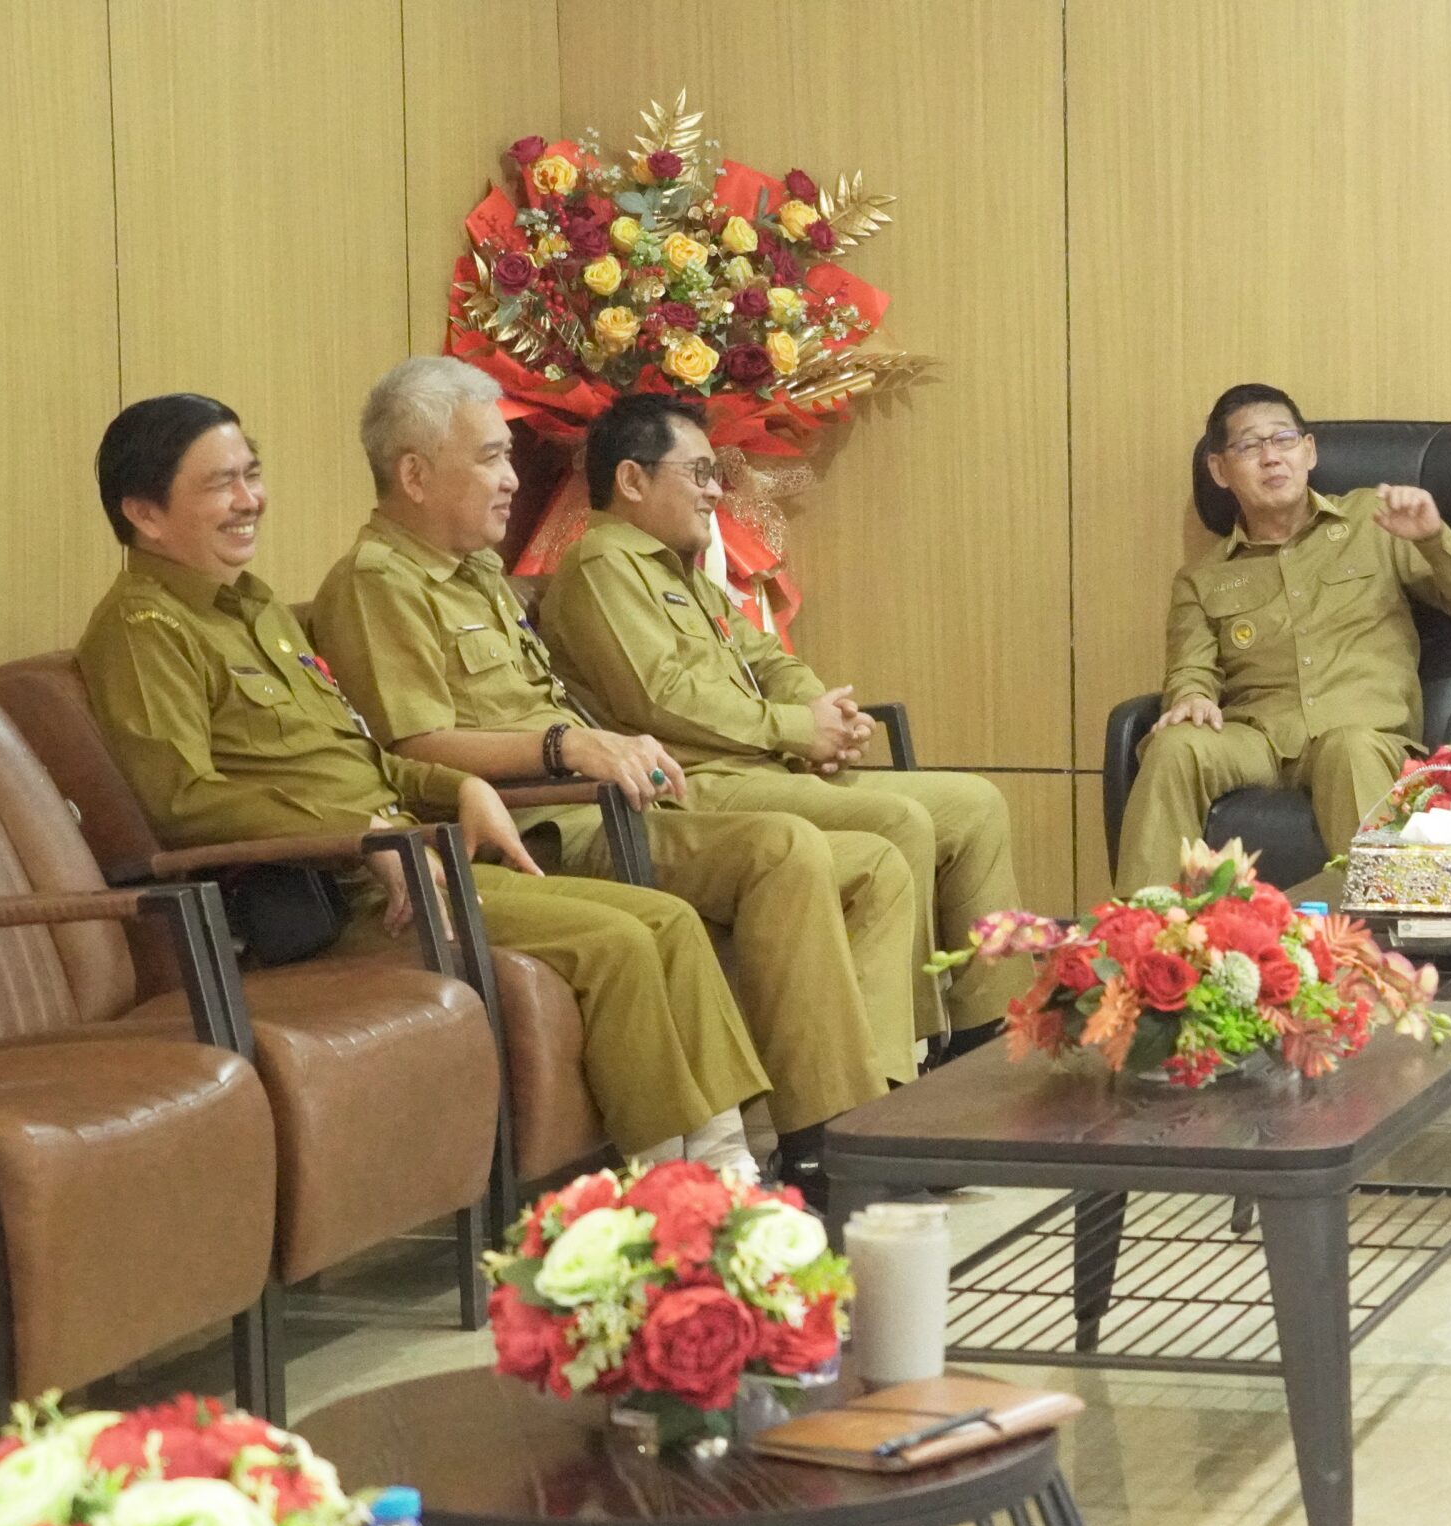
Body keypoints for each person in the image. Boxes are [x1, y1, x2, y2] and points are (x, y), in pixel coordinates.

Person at [77, 393, 774, 1177]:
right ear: (145, 512)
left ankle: (723, 1167)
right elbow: (180, 800)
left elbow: (362, 753)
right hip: (335, 891)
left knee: (668, 923)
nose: (249, 501)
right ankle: (673, 1192)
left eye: (253, 474)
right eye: (219, 485)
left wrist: (452, 787)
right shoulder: (143, 631)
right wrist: (366, 835)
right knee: (615, 942)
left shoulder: (255, 606)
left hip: (409, 855)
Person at [307, 357, 910, 1192]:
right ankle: (810, 1144)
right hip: (529, 832)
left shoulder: (477, 570)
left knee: (810, 849)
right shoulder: (376, 584)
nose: (514, 479)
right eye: (489, 458)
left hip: (604, 804)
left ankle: (831, 1130)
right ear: (413, 474)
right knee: (777, 849)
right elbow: (415, 749)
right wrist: (568, 748)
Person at [535, 393, 1026, 1059]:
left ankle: (990, 1035)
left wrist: (827, 715)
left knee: (975, 804)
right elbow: (662, 698)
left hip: (760, 770)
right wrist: (798, 730)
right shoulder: (601, 565)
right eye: (700, 473)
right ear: (631, 478)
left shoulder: (681, 574)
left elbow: (766, 657)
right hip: (694, 786)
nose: (715, 492)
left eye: (717, 475)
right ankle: (901, 1055)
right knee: (898, 822)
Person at [1111, 384, 1451, 893]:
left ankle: (1386, 941)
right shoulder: (1202, 578)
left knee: (1349, 749)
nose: (1271, 458)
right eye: (1249, 447)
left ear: (1310, 451)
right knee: (1173, 747)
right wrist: (1191, 696)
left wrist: (1432, 536)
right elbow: (1190, 667)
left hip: (1360, 730)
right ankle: (1145, 947)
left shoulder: (1375, 521)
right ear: (1219, 470)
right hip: (1256, 739)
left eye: (1284, 439)